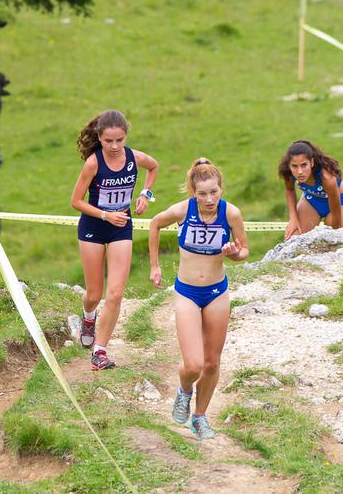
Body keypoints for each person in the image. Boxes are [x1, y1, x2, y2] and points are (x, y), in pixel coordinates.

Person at [148, 158, 249, 440]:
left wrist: (233, 253)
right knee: (193, 365)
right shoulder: (183, 210)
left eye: (214, 192)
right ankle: (184, 391)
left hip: (217, 292)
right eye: (202, 194)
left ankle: (200, 416)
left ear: (221, 189)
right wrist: (155, 266)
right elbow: (154, 224)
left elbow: (244, 252)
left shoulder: (231, 214)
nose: (209, 199)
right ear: (193, 192)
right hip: (187, 292)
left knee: (212, 363)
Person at [70, 110, 159, 370]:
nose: (114, 146)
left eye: (119, 140)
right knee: (94, 294)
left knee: (116, 293)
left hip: (121, 228)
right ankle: (88, 317)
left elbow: (153, 167)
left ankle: (100, 350)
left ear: (125, 136)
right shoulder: (93, 164)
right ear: (99, 138)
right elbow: (75, 201)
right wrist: (105, 215)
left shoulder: (134, 158)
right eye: (108, 141)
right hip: (93, 228)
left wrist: (145, 195)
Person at [279, 140, 343, 239]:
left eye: (304, 165)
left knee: (334, 240)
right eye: (294, 166)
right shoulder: (288, 172)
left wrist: (335, 237)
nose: (299, 172)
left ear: (312, 162)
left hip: (338, 205)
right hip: (311, 201)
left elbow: (335, 213)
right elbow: (290, 190)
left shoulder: (327, 178)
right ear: (289, 165)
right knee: (293, 238)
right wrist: (293, 218)